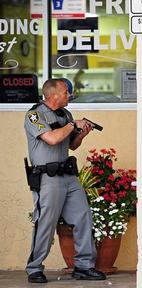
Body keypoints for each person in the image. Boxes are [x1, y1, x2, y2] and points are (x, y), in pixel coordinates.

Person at [24, 79, 106, 283]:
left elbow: (72, 146)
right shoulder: (34, 114)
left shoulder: (65, 115)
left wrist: (81, 134)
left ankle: (84, 266)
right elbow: (51, 138)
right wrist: (72, 125)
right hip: (47, 179)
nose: (70, 96)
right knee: (45, 223)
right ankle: (34, 268)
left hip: (68, 176)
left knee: (83, 218)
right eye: (67, 93)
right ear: (54, 94)